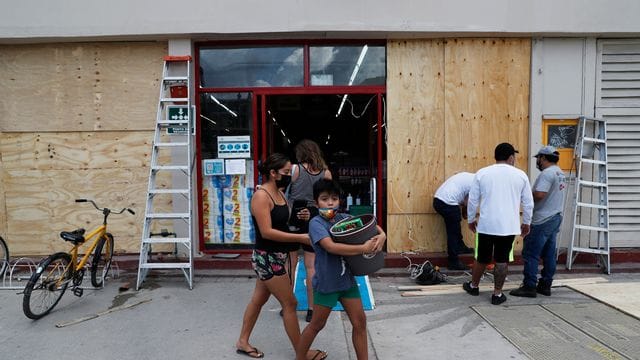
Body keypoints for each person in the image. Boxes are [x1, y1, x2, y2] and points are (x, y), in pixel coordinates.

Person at [235, 153, 326, 360]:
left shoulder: (280, 192)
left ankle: (242, 340)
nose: (289, 176)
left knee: (258, 300)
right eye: (286, 172)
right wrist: (301, 238)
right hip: (266, 258)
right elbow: (266, 231)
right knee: (290, 304)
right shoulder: (261, 196)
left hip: (277, 255)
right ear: (273, 173)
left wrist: (302, 217)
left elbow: (282, 222)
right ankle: (301, 353)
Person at [296, 179, 386, 360]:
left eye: (334, 199)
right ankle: (300, 357)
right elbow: (330, 247)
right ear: (316, 202)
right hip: (327, 283)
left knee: (360, 323)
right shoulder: (316, 223)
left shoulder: (343, 219)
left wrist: (382, 235)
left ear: (340, 201)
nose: (330, 203)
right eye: (324, 199)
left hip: (347, 281)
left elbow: (371, 225)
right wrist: (363, 249)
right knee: (317, 325)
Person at [463, 143, 534, 305]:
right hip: (508, 226)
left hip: (487, 225)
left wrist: (471, 219)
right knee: (501, 260)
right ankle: (497, 294)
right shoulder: (521, 175)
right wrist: (526, 223)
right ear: (510, 158)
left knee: (482, 257)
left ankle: (474, 286)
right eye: (514, 157)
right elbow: (528, 203)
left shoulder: (482, 173)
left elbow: (473, 200)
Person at [510, 145, 566, 298]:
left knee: (531, 253)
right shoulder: (560, 172)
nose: (538, 161)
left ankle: (529, 286)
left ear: (543, 157)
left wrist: (526, 194)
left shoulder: (547, 174)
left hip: (542, 219)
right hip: (555, 217)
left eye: (538, 158)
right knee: (549, 253)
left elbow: (540, 194)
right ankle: (545, 285)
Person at [287, 139, 332, 323]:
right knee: (311, 266)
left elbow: (285, 192)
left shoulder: (295, 169)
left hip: (293, 216)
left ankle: (288, 306)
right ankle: (312, 309)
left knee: (290, 264)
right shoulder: (326, 172)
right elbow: (329, 199)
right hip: (315, 217)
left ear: (301, 153)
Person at [433, 172, 475, 270]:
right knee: (453, 231)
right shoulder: (476, 183)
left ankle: (460, 247)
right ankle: (453, 261)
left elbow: (465, 199)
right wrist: (470, 217)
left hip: (439, 200)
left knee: (455, 226)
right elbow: (470, 201)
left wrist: (465, 210)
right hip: (447, 202)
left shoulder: (471, 177)